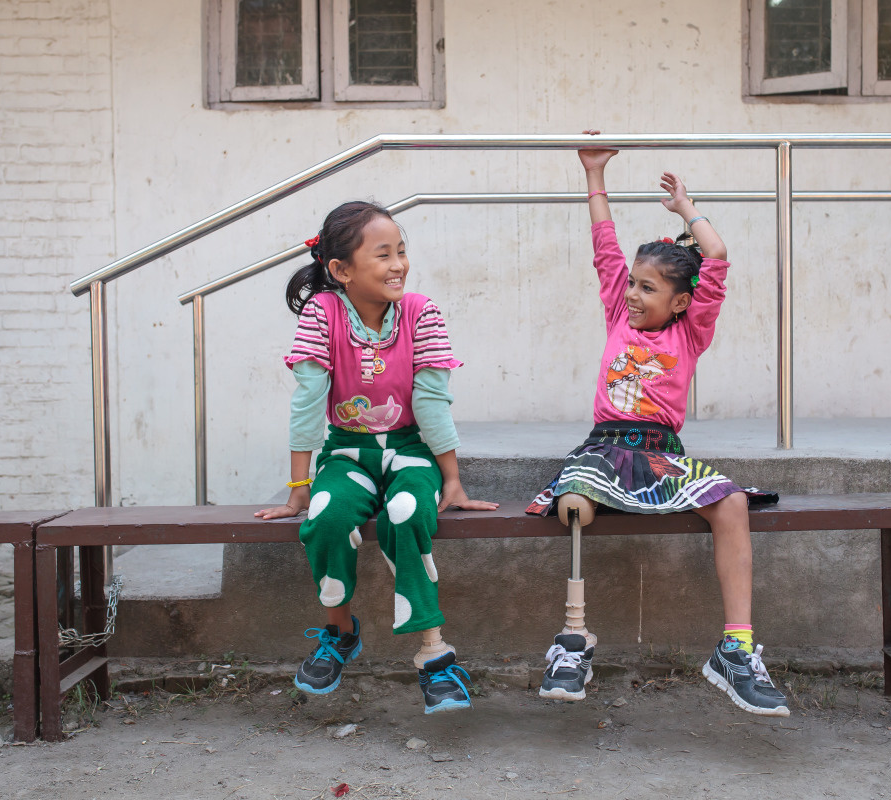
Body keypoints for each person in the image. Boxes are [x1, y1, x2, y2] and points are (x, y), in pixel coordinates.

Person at [526, 133, 788, 716]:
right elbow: (604, 243)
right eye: (633, 284)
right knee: (575, 506)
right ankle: (573, 641)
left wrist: (686, 209)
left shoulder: (690, 333)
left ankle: (736, 649)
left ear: (680, 302)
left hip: (662, 455)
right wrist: (594, 173)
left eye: (648, 288)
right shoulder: (618, 313)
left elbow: (716, 257)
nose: (634, 294)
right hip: (604, 450)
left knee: (732, 503)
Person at [257, 200, 498, 714]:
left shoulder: (421, 312)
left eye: (402, 252)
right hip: (347, 451)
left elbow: (431, 401)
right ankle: (339, 633)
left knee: (406, 513)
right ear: (341, 270)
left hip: (409, 448)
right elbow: (307, 402)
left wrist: (452, 481)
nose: (398, 265)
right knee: (327, 517)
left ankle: (434, 655)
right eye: (383, 255)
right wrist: (299, 490)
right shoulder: (321, 314)